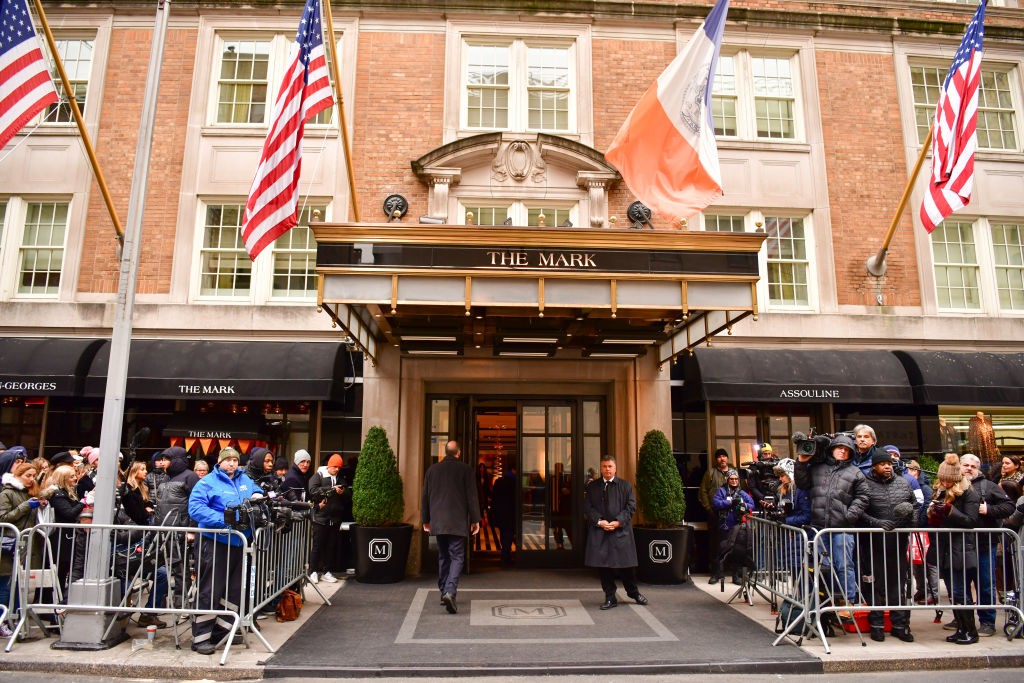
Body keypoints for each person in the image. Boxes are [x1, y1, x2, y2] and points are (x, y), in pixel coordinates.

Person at [187, 446, 260, 655]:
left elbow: (256, 491)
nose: (232, 463)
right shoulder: (207, 482)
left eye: (235, 460)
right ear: (220, 462)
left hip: (238, 544)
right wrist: (226, 521)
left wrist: (258, 494)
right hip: (215, 542)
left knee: (233, 591)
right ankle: (200, 638)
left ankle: (222, 632)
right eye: (228, 460)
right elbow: (195, 508)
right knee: (210, 589)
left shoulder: (244, 479)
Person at [795, 433, 869, 608]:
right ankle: (827, 600)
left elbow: (863, 497)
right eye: (839, 448)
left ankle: (847, 601)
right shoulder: (817, 468)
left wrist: (850, 515)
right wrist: (801, 462)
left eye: (846, 449)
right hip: (820, 528)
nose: (842, 451)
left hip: (843, 528)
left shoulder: (855, 472)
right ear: (832, 449)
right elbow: (802, 483)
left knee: (844, 565)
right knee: (824, 566)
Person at [859, 448, 919, 642]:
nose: (887, 467)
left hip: (898, 543)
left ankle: (900, 625)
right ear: (874, 466)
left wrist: (911, 519)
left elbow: (915, 506)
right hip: (873, 543)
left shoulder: (903, 482)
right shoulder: (864, 484)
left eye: (889, 464)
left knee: (898, 585)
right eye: (882, 464)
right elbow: (859, 511)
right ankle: (876, 625)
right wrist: (877, 523)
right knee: (874, 585)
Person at [927, 453, 981, 645]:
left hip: (961, 548)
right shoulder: (941, 491)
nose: (945, 483)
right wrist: (933, 513)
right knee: (953, 593)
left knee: (961, 591)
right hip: (945, 548)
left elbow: (971, 521)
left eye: (948, 480)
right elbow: (938, 522)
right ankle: (961, 628)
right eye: (942, 480)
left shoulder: (969, 493)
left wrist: (950, 510)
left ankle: (970, 631)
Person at [422, 441, 480, 614]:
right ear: (458, 453)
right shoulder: (466, 470)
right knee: (457, 557)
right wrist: (475, 520)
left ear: (445, 452)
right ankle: (450, 591)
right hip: (457, 522)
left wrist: (426, 519)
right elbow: (472, 497)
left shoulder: (432, 470)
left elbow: (425, 497)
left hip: (438, 521)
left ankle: (443, 591)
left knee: (444, 556)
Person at [583, 455, 647, 610]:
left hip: (621, 531)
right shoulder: (592, 487)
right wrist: (600, 522)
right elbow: (588, 508)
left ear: (615, 468)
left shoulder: (625, 486)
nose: (607, 469)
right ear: (601, 468)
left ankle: (633, 593)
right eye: (604, 466)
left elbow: (631, 507)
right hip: (601, 531)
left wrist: (618, 522)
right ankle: (610, 597)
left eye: (610, 466)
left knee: (626, 565)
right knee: (604, 567)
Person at [959, 453, 1013, 637]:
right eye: (965, 465)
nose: (969, 469)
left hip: (984, 544)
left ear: (978, 469)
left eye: (973, 466)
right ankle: (963, 620)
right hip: (959, 545)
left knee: (985, 583)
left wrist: (988, 509)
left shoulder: (989, 486)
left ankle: (987, 622)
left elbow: (1009, 506)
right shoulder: (953, 485)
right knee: (960, 585)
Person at [0, 461, 49, 633]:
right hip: (9, 544)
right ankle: (3, 620)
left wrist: (40, 505)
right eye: (28, 476)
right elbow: (3, 517)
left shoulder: (30, 493)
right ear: (18, 476)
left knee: (20, 585)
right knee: (6, 584)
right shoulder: (7, 493)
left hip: (27, 544)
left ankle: (15, 619)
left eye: (33, 476)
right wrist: (25, 506)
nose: (31, 479)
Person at [308, 454, 349, 584]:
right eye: (335, 466)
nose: (337, 469)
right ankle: (313, 571)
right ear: (329, 465)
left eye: (339, 467)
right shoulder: (318, 476)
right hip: (320, 517)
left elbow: (348, 495)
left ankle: (327, 571)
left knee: (331, 546)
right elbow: (313, 491)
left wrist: (343, 492)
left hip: (335, 517)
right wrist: (330, 489)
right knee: (317, 545)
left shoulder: (340, 478)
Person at [711, 469, 755, 585]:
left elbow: (752, 505)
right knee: (721, 550)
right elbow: (716, 503)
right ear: (727, 479)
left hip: (738, 527)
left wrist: (744, 505)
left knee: (737, 551)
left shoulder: (742, 493)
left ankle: (735, 576)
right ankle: (716, 574)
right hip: (725, 526)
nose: (734, 481)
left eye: (736, 479)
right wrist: (730, 502)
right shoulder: (721, 491)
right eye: (732, 479)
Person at [906, 459, 939, 605]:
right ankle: (921, 589)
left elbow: (926, 506)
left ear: (915, 471)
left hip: (925, 529)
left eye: (908, 470)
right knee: (916, 561)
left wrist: (919, 522)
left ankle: (934, 592)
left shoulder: (925, 488)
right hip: (916, 529)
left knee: (930, 563)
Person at [699, 448, 732, 583]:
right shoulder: (710, 473)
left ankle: (734, 573)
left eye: (724, 456)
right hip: (715, 514)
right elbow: (703, 491)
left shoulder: (733, 473)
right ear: (716, 459)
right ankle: (716, 573)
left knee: (733, 542)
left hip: (731, 514)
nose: (722, 459)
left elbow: (741, 490)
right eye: (719, 457)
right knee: (715, 544)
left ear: (727, 458)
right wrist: (708, 508)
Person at [489, 466, 517, 565]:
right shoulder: (515, 482)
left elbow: (494, 497)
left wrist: (493, 511)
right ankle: (506, 555)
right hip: (511, 512)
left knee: (503, 532)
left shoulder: (499, 481)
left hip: (500, 512)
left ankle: (505, 554)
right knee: (509, 533)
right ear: (513, 470)